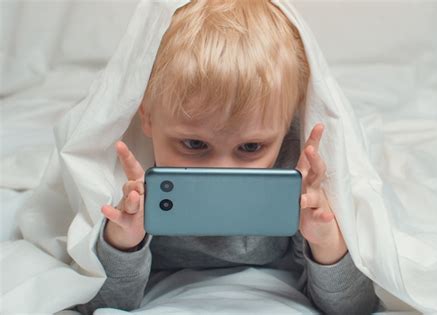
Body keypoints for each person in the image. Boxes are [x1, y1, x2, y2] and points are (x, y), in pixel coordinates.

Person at [71, 1, 380, 314]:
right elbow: (98, 304)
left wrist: (325, 243)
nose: (221, 169)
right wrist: (124, 243)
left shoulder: (296, 177)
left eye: (250, 148)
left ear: (288, 125)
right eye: (193, 143)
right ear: (147, 116)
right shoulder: (133, 183)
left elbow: (355, 308)